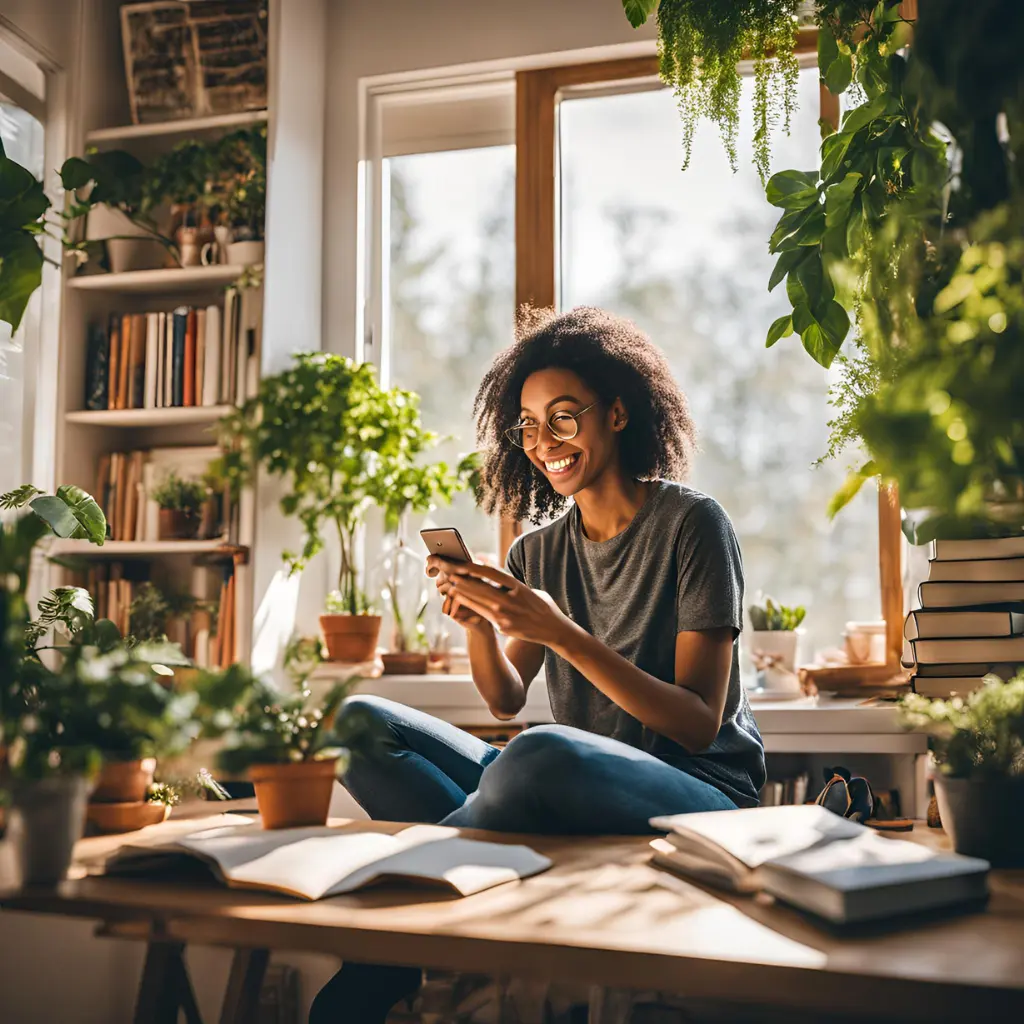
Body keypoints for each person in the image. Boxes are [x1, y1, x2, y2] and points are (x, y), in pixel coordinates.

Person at [309, 307, 765, 1024]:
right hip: (563, 786)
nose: (543, 443)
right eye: (526, 424)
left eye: (562, 418)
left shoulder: (693, 526)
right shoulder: (537, 551)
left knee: (538, 755)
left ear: (617, 413)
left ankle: (388, 940)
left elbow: (699, 724)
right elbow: (504, 700)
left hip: (704, 794)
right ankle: (437, 893)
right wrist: (482, 626)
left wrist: (563, 632)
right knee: (358, 720)